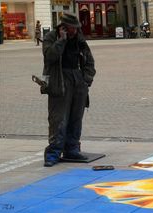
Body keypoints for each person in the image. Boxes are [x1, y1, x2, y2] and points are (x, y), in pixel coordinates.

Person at [42, 13, 96, 167]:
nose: (74, 31)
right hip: (60, 80)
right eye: (72, 28)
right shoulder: (51, 37)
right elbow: (50, 57)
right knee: (58, 118)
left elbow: (89, 60)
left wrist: (86, 79)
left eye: (76, 28)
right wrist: (61, 40)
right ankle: (53, 152)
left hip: (78, 80)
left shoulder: (79, 38)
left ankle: (72, 149)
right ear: (63, 27)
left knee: (75, 117)